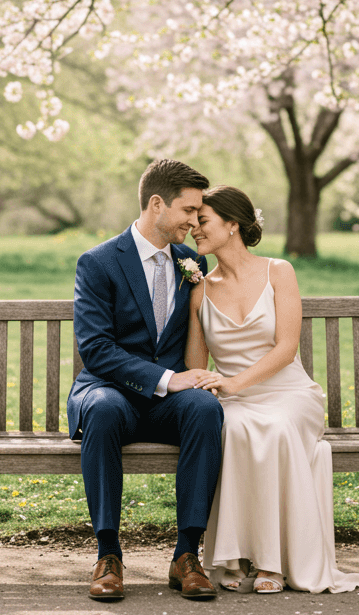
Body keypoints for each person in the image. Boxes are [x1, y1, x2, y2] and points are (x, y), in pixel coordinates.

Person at [187, 186, 359, 595]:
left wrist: (233, 382)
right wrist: (210, 385)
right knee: (231, 429)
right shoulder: (199, 287)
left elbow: (287, 348)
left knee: (275, 427)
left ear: (232, 224)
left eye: (202, 221)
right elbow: (195, 364)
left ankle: (273, 563)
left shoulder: (279, 271)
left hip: (289, 392)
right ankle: (233, 558)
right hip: (233, 398)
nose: (193, 229)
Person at [68, 159, 225, 602]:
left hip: (166, 401)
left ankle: (186, 555)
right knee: (101, 410)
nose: (195, 222)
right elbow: (96, 349)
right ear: (157, 204)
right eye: (189, 210)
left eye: (198, 213)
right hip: (108, 388)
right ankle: (108, 554)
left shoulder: (191, 261)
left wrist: (189, 381)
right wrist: (167, 378)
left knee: (205, 408)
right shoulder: (98, 262)